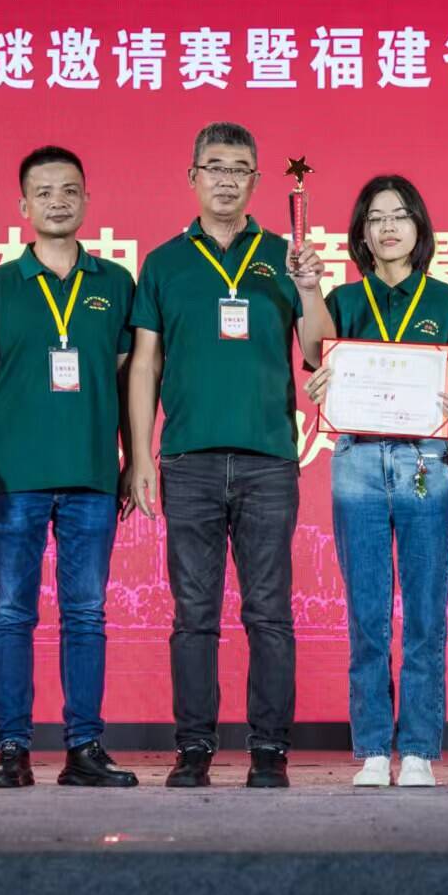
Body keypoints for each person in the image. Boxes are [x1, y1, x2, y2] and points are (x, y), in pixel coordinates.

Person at [123, 122, 326, 789]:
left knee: (269, 612)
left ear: (256, 181)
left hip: (269, 458)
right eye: (214, 166)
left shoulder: (284, 257)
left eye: (239, 168)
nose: (226, 179)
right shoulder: (163, 263)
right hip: (188, 459)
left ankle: (269, 749)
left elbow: (318, 352)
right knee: (194, 616)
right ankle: (194, 748)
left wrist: (310, 288)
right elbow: (145, 363)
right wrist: (140, 454)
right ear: (193, 177)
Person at [0, 146, 140, 789]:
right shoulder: (1, 285)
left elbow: (132, 381)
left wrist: (134, 457)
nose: (57, 201)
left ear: (86, 199)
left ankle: (85, 748)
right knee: (11, 612)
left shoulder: (114, 283)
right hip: (13, 477)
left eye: (69, 190)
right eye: (44, 191)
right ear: (23, 206)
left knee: (86, 614)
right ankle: (13, 749)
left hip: (92, 475)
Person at [300, 175, 448, 788]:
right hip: (358, 461)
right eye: (376, 218)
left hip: (425, 459)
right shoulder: (346, 299)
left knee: (426, 611)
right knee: (367, 611)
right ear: (362, 233)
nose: (389, 227)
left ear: (419, 227)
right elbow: (316, 353)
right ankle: (374, 747)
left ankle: (419, 748)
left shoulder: (447, 302)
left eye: (400, 215)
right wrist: (320, 375)